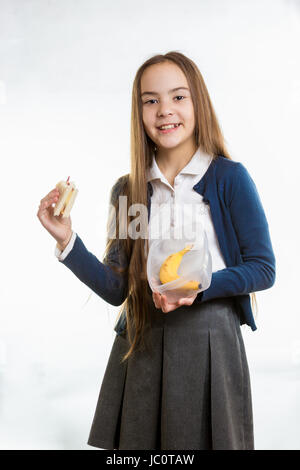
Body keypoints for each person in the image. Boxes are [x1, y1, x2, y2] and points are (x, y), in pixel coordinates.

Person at [37, 51, 276, 450]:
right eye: (151, 100)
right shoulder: (127, 192)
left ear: (198, 102)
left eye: (178, 97)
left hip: (210, 342)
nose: (165, 110)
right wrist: (66, 240)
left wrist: (199, 287)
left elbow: (262, 268)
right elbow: (117, 287)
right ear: (139, 111)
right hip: (141, 342)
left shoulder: (229, 178)